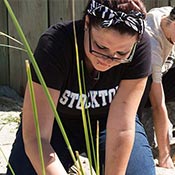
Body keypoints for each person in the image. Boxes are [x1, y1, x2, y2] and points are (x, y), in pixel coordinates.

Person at [6, 0, 156, 175]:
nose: (108, 59)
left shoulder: (141, 47)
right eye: (101, 47)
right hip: (55, 123)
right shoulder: (55, 44)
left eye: (121, 53)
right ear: (87, 23)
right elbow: (35, 137)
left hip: (109, 122)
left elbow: (122, 128)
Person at [139, 6, 175, 169]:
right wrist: (165, 155)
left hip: (163, 73)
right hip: (141, 89)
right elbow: (158, 105)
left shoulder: (166, 15)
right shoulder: (151, 43)